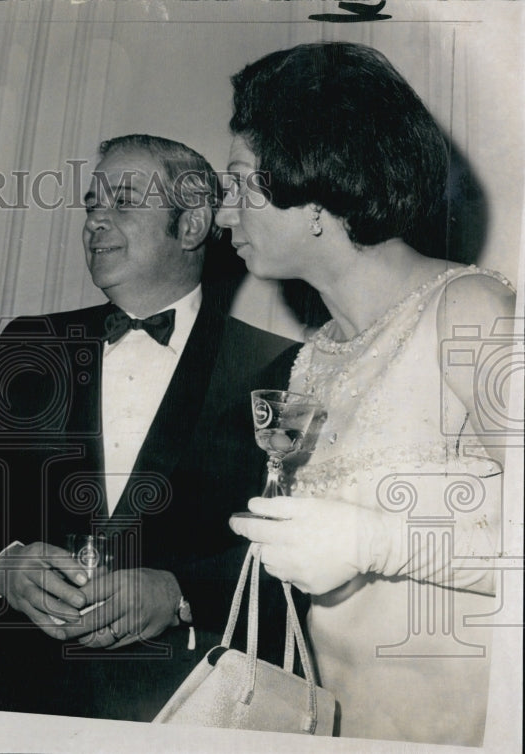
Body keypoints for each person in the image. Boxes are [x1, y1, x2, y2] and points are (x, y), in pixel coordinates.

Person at [0, 134, 300, 722]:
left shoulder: (281, 369)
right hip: (10, 700)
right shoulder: (31, 344)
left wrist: (181, 595)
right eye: (91, 203)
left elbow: (292, 557)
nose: (95, 219)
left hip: (177, 708)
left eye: (122, 201)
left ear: (193, 224)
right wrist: (3, 565)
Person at [219, 42, 515, 745]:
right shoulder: (313, 358)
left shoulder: (468, 313)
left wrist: (372, 540)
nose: (225, 216)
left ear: (316, 184)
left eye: (239, 184)